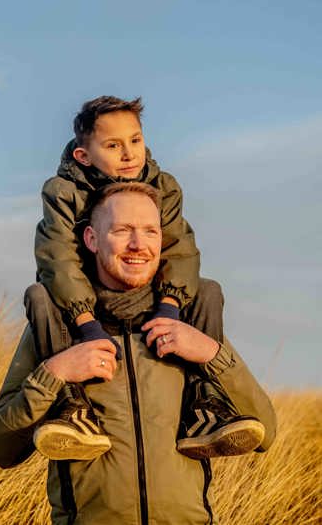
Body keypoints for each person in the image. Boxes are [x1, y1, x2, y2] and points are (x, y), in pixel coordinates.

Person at [0, 183, 276, 525]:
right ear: (92, 239)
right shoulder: (59, 327)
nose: (139, 245)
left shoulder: (189, 325)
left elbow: (266, 433)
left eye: (150, 231)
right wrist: (55, 374)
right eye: (122, 230)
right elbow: (2, 448)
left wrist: (212, 354)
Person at [27, 95, 252, 460]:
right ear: (84, 156)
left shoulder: (164, 187)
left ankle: (204, 402)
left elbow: (180, 250)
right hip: (89, 301)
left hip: (146, 298)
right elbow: (58, 258)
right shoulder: (63, 192)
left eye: (135, 140)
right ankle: (73, 406)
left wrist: (169, 306)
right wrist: (86, 323)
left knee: (209, 290)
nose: (129, 154)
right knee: (40, 295)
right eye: (113, 145)